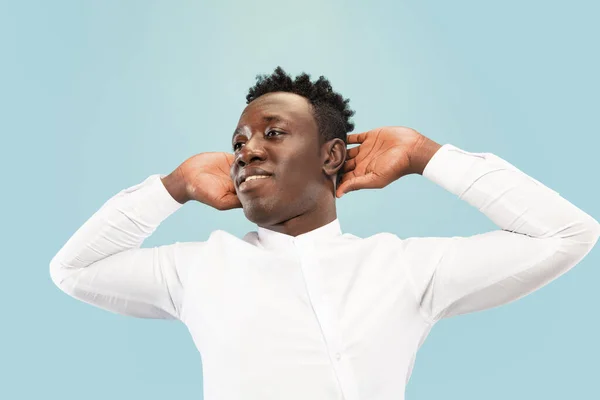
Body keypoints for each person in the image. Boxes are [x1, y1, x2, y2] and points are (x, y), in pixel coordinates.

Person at [49, 66, 599, 400]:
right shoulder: (197, 269)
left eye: (273, 133)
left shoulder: (403, 268)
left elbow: (567, 234)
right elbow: (74, 270)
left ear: (331, 155)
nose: (247, 151)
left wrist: (425, 156)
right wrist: (171, 187)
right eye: (238, 143)